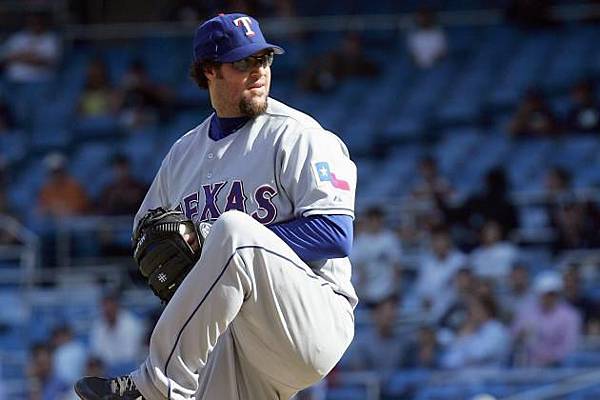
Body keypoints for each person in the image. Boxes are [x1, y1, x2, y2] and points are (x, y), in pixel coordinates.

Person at [76, 13, 357, 400]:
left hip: (310, 319)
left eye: (264, 59)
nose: (258, 71)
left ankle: (152, 388)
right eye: (243, 62)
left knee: (232, 233)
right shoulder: (183, 155)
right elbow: (146, 236)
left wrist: (207, 242)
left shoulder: (298, 135)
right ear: (209, 70)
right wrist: (176, 267)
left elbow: (334, 233)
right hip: (235, 341)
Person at [511, 271, 581, 367]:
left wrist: (550, 358)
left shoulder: (570, 315)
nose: (548, 298)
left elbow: (569, 346)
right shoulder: (527, 312)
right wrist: (520, 335)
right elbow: (514, 334)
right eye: (544, 294)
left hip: (558, 367)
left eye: (551, 294)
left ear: (557, 294)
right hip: (529, 366)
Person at [351, 206, 402, 306]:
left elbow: (396, 266)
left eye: (377, 220)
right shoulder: (361, 241)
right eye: (372, 220)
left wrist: (395, 288)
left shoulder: (390, 239)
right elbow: (358, 266)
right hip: (366, 292)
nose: (375, 223)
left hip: (386, 291)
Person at [441, 295, 510, 369]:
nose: (470, 313)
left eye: (474, 308)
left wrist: (465, 336)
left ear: (486, 310)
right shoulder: (475, 329)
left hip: (490, 376)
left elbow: (478, 354)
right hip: (467, 375)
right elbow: (449, 361)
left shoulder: (496, 330)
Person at [89, 292, 145, 370]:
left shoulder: (131, 324)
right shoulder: (98, 325)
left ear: (116, 306)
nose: (107, 311)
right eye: (104, 308)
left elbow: (130, 354)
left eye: (110, 308)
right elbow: (97, 352)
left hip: (130, 368)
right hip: (106, 368)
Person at [0, 12, 61, 83]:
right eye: (31, 22)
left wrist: (19, 57)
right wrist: (30, 57)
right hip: (13, 79)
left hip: (40, 80)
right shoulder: (18, 37)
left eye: (37, 22)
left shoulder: (51, 38)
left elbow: (48, 62)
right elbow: (5, 57)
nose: (34, 25)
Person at [37, 153, 90, 218]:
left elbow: (80, 209)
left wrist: (59, 209)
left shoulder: (75, 186)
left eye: (58, 171)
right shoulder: (46, 189)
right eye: (53, 172)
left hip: (75, 221)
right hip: (53, 223)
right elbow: (41, 210)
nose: (56, 175)